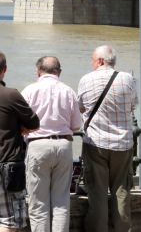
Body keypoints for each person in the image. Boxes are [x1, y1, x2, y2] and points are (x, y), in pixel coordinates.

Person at [77, 46, 138, 232]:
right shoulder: (128, 79)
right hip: (123, 144)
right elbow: (131, 107)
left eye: (93, 59)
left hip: (96, 144)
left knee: (97, 194)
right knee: (122, 193)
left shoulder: (86, 79)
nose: (92, 63)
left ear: (101, 61)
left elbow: (80, 109)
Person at [22, 56, 82, 232]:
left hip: (37, 144)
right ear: (59, 72)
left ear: (38, 71)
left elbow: (20, 121)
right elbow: (76, 125)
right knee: (61, 202)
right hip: (63, 145)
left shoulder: (29, 91)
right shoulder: (69, 91)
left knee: (38, 204)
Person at [0, 51, 40, 232]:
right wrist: (22, 127)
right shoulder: (11, 95)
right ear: (4, 69)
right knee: (8, 220)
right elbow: (34, 123)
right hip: (6, 166)